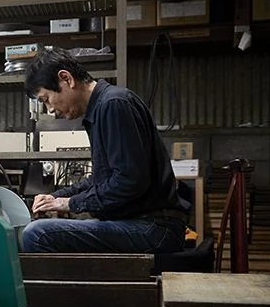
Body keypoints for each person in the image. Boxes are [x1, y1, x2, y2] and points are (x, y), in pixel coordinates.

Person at [20, 47, 187, 254]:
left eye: (46, 99)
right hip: (142, 223)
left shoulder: (113, 104)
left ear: (66, 79)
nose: (50, 110)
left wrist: (70, 203)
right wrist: (56, 197)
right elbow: (102, 179)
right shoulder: (101, 109)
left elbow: (128, 182)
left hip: (154, 228)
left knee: (38, 234)